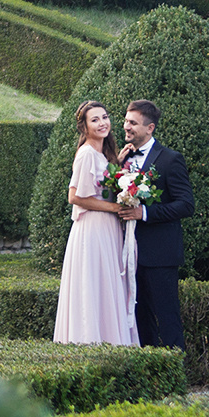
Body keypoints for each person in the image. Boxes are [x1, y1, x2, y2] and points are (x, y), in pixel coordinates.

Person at [52, 100, 139, 346]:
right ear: (84, 127)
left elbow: (101, 185)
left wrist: (119, 168)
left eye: (105, 117)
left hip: (107, 229)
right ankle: (91, 342)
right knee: (94, 284)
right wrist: (115, 208)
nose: (102, 123)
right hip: (92, 229)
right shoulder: (86, 153)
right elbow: (74, 197)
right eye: (95, 120)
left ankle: (109, 340)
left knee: (106, 286)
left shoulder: (101, 154)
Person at [114, 99, 195, 349]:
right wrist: (117, 166)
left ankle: (176, 370)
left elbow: (186, 205)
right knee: (138, 323)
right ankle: (146, 370)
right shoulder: (123, 158)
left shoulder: (170, 159)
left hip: (160, 255)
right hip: (128, 254)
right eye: (126, 121)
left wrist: (145, 213)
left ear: (150, 128)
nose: (126, 126)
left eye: (133, 123)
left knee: (168, 320)